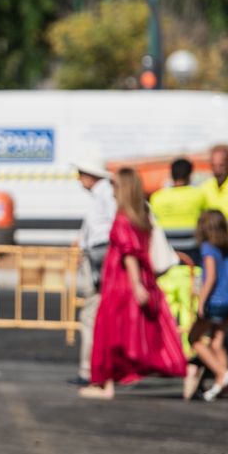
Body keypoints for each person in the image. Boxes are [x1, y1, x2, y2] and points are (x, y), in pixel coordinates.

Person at [79, 168, 187, 400]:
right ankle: (182, 367)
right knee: (142, 331)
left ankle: (105, 384)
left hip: (121, 283)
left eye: (116, 186)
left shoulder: (122, 218)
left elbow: (128, 253)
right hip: (140, 280)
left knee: (108, 332)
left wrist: (135, 283)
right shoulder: (142, 216)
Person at [187, 210, 228, 401]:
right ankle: (225, 386)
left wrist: (201, 301)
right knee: (217, 342)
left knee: (194, 338)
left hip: (214, 300)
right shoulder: (227, 248)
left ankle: (220, 373)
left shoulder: (208, 248)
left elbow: (210, 277)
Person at [74, 159, 117, 385]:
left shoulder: (105, 195)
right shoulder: (103, 194)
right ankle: (94, 369)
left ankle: (91, 370)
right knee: (94, 314)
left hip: (101, 257)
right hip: (100, 256)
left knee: (91, 314)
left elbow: (111, 228)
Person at [150, 157, 205, 250]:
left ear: (171, 175)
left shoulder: (156, 197)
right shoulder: (199, 195)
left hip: (166, 250)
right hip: (193, 248)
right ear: (190, 175)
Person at [199, 146, 228, 234]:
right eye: (214, 166)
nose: (217, 171)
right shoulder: (204, 187)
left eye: (221, 166)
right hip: (210, 238)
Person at [185, 318, 228, 403]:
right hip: (227, 306)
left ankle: (222, 373)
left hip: (212, 307)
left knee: (193, 338)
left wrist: (202, 305)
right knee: (217, 342)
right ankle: (223, 386)